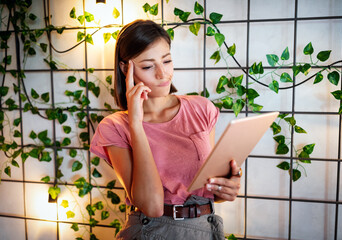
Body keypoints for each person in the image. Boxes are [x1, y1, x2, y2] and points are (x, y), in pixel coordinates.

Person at [90, 19, 242, 240]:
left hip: (205, 230)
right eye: (148, 66)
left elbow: (204, 188)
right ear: (126, 69)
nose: (163, 74)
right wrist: (136, 124)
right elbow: (151, 206)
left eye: (167, 61)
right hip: (150, 231)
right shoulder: (115, 127)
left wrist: (225, 188)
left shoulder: (201, 108)